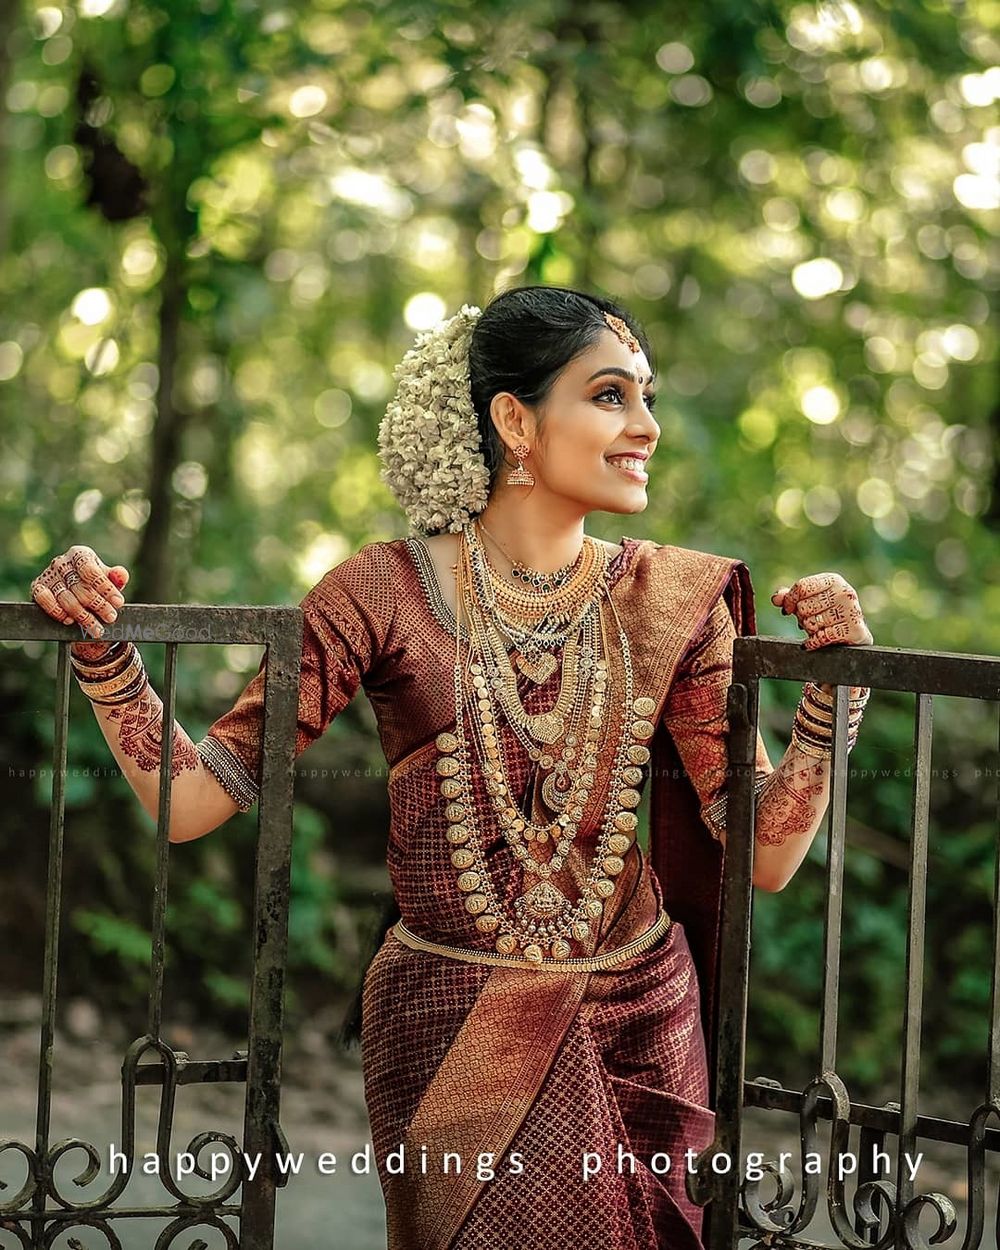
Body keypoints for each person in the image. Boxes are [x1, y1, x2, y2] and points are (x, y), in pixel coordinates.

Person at [30, 285, 873, 1249]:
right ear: (514, 419)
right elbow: (191, 802)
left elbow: (760, 852)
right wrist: (104, 651)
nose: (645, 426)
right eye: (609, 396)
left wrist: (829, 698)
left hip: (645, 1014)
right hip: (452, 1020)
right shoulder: (382, 593)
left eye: (646, 396)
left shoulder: (672, 596)